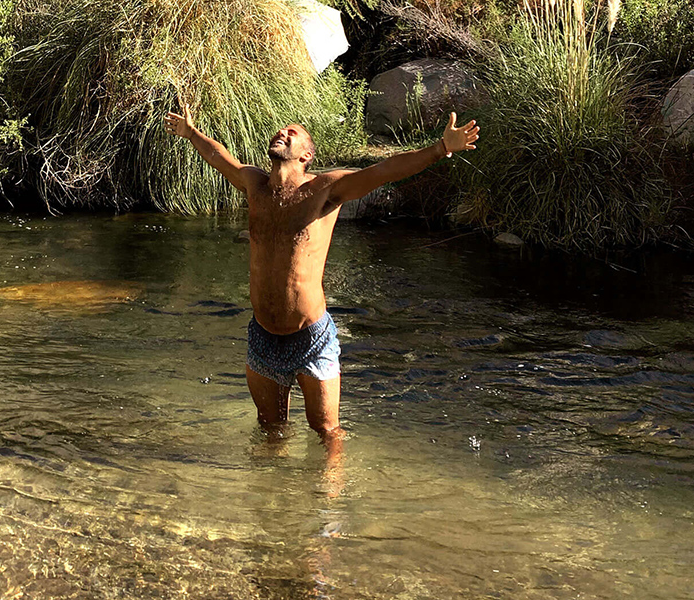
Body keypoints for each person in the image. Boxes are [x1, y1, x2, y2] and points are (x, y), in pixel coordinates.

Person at [164, 106, 480, 444]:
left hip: (311, 338)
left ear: (306, 156)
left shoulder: (325, 190)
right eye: (280, 131)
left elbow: (384, 170)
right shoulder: (254, 185)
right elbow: (221, 157)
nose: (282, 134)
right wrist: (190, 132)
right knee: (270, 431)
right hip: (263, 336)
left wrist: (440, 149)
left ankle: (328, 495)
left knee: (327, 432)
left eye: (292, 134)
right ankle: (269, 496)